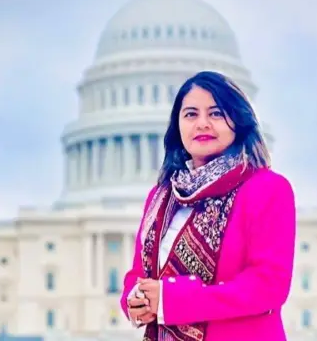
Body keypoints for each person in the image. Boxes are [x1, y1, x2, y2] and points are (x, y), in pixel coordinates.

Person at [120, 70, 297, 341]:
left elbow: (268, 286)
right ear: (177, 126)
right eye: (190, 114)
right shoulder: (161, 197)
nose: (202, 124)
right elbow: (139, 274)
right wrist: (136, 300)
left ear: (237, 121)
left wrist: (172, 301)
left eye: (215, 113)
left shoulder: (267, 189)